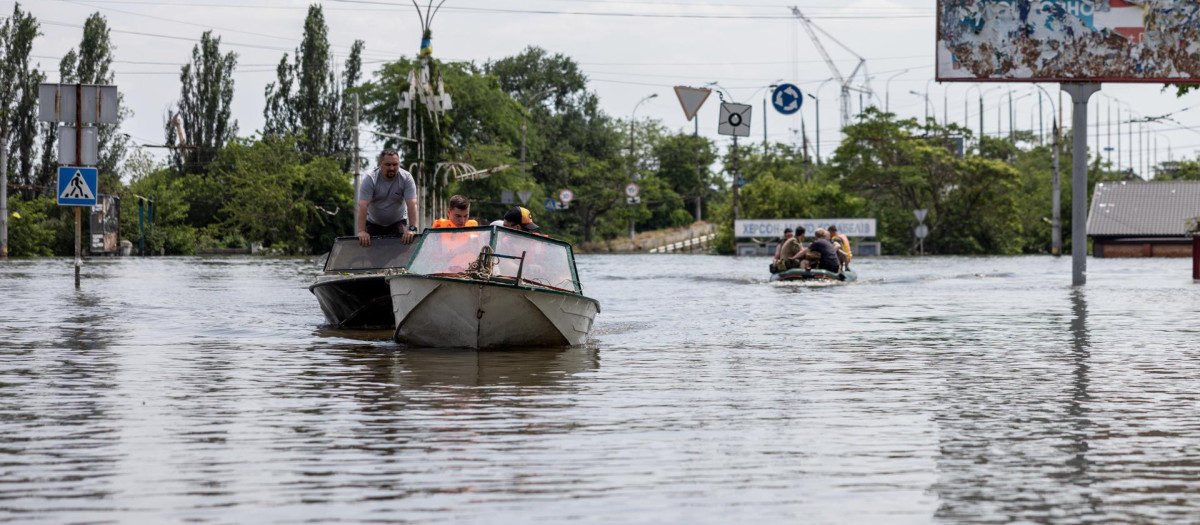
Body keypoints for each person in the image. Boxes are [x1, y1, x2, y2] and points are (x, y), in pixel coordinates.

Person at [356, 149, 418, 246]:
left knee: (400, 253)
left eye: (395, 164)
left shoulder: (406, 178)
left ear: (399, 164)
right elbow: (362, 205)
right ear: (380, 164)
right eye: (388, 165)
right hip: (374, 224)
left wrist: (412, 229)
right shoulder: (371, 179)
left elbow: (412, 204)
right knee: (374, 256)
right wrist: (361, 231)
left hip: (398, 223)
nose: (392, 168)